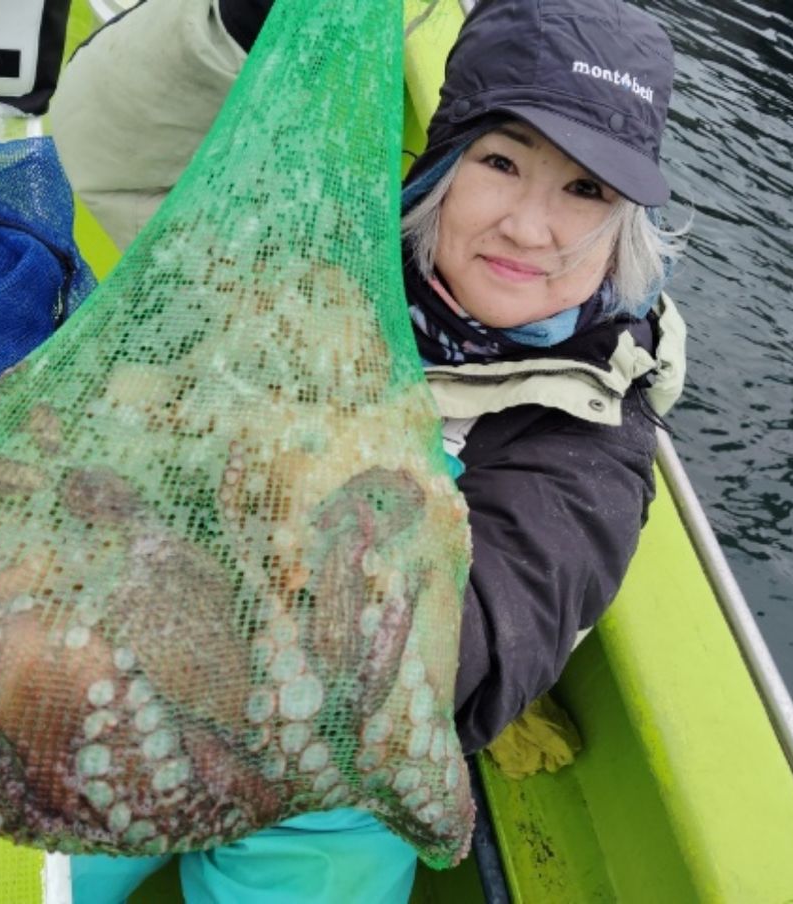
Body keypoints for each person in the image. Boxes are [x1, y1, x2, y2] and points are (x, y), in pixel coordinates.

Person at [48, 0, 687, 900]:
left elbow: (459, 663)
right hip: (141, 660)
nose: (531, 228)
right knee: (17, 860)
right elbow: (111, 152)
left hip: (337, 770)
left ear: (624, 223)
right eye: (502, 163)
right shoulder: (321, 245)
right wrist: (239, 19)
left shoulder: (586, 435)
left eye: (585, 191)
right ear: (443, 167)